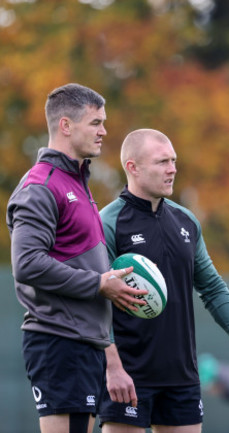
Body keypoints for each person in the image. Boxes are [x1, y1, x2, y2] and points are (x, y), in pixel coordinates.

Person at [98, 128, 229, 432]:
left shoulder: (186, 221)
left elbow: (212, 288)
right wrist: (113, 367)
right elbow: (95, 302)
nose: (173, 169)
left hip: (182, 377)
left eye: (173, 161)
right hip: (128, 375)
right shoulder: (108, 222)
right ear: (133, 167)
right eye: (162, 162)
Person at [6, 83, 148, 433]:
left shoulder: (77, 183)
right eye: (95, 122)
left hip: (83, 343)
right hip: (58, 341)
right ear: (66, 126)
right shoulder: (41, 185)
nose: (104, 131)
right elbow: (26, 263)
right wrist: (99, 283)